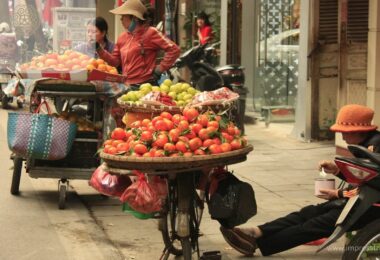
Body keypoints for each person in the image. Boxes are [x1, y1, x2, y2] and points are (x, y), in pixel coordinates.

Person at [220, 104, 380, 256]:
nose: (342, 136)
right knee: (308, 212)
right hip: (360, 199)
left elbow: (373, 185)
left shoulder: (374, 148)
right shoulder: (366, 144)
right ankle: (257, 231)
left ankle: (257, 242)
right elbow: (364, 178)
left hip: (371, 205)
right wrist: (337, 171)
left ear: (359, 131)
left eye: (346, 132)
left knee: (315, 225)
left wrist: (338, 193)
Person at [96, 0, 180, 86]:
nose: (121, 19)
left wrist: (161, 68)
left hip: (146, 85)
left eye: (123, 16)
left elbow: (174, 49)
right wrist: (99, 48)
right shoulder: (122, 37)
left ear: (134, 18)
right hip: (127, 86)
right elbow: (115, 62)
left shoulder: (150, 33)